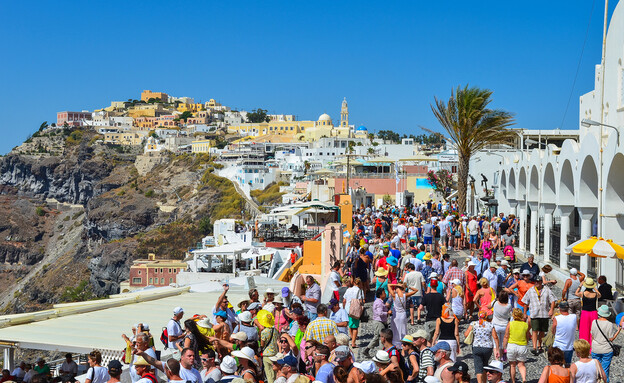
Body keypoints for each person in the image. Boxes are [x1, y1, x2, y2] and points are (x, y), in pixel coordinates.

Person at [522, 278, 556, 354]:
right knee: (534, 330)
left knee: (542, 331)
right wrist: (524, 313)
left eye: (538, 281)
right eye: (535, 281)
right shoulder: (530, 290)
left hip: (544, 313)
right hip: (534, 313)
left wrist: (551, 310)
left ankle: (539, 345)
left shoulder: (547, 290)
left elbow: (553, 300)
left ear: (541, 282)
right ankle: (534, 347)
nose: (536, 283)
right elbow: (525, 302)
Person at [464, 311, 500, 383]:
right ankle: (484, 381)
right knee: (485, 364)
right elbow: (495, 337)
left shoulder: (474, 324)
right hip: (488, 348)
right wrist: (497, 348)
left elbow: (466, 334)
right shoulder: (490, 325)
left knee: (478, 367)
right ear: (486, 316)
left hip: (477, 346)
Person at [591, 305, 622, 382]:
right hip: (606, 349)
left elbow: (593, 336)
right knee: (605, 370)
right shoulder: (610, 324)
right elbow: (611, 339)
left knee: (595, 370)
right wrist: (618, 331)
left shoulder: (594, 322)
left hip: (595, 348)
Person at [503, 308, 530, 383]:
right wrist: (526, 342)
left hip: (512, 345)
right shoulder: (525, 325)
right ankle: (524, 378)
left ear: (513, 316)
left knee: (512, 365)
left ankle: (513, 380)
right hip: (522, 345)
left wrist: (504, 346)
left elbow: (506, 336)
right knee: (521, 364)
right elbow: (527, 336)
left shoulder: (510, 324)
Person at [363, 288, 391, 357]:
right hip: (379, 322)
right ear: (381, 295)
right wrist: (387, 313)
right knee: (381, 337)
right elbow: (380, 313)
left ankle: (367, 350)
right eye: (384, 293)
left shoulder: (379, 302)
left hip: (379, 321)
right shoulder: (379, 303)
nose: (385, 294)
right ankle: (381, 353)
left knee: (377, 337)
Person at [552, 301, 578, 366]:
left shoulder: (557, 318)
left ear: (559, 308)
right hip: (569, 346)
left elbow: (553, 330)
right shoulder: (574, 317)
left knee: (558, 365)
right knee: (568, 365)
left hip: (558, 345)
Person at [576, 278, 600, 344]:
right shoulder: (595, 294)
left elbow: (576, 293)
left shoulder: (582, 293)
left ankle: (584, 345)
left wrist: (580, 285)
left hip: (585, 312)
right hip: (593, 312)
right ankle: (593, 346)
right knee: (593, 330)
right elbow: (599, 295)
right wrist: (594, 288)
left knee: (584, 329)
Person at [343, 277, 365, 347]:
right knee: (355, 327)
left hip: (347, 308)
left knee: (350, 324)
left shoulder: (348, 289)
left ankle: (352, 337)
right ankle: (353, 342)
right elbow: (362, 301)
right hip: (355, 309)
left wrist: (344, 308)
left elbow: (344, 300)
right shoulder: (360, 291)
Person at [491, 291, 512, 360]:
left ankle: (497, 359)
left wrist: (495, 299)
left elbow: (489, 306)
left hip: (495, 325)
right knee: (502, 343)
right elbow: (510, 314)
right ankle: (501, 357)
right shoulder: (508, 306)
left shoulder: (495, 303)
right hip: (504, 325)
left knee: (495, 343)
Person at [259, 310, 279, 383]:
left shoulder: (264, 332)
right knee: (275, 374)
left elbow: (262, 344)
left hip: (267, 355)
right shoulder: (275, 330)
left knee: (269, 375)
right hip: (275, 354)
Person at [388, 283, 409, 348]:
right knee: (403, 329)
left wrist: (396, 284)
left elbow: (387, 303)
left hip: (396, 315)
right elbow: (411, 306)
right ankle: (404, 344)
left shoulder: (394, 295)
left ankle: (395, 344)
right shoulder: (406, 295)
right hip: (403, 314)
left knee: (395, 329)